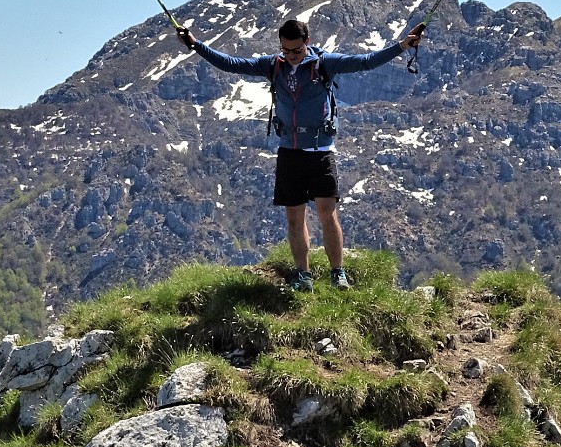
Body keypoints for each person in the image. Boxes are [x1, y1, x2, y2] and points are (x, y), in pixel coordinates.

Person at [176, 17, 424, 291]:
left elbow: (366, 61)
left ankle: (337, 273)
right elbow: (232, 64)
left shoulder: (325, 63)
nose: (291, 56)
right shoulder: (273, 65)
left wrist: (402, 45)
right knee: (294, 216)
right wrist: (196, 45)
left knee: (327, 213)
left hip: (320, 152)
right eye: (286, 50)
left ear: (307, 42)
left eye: (296, 50)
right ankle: (303, 275)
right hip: (289, 152)